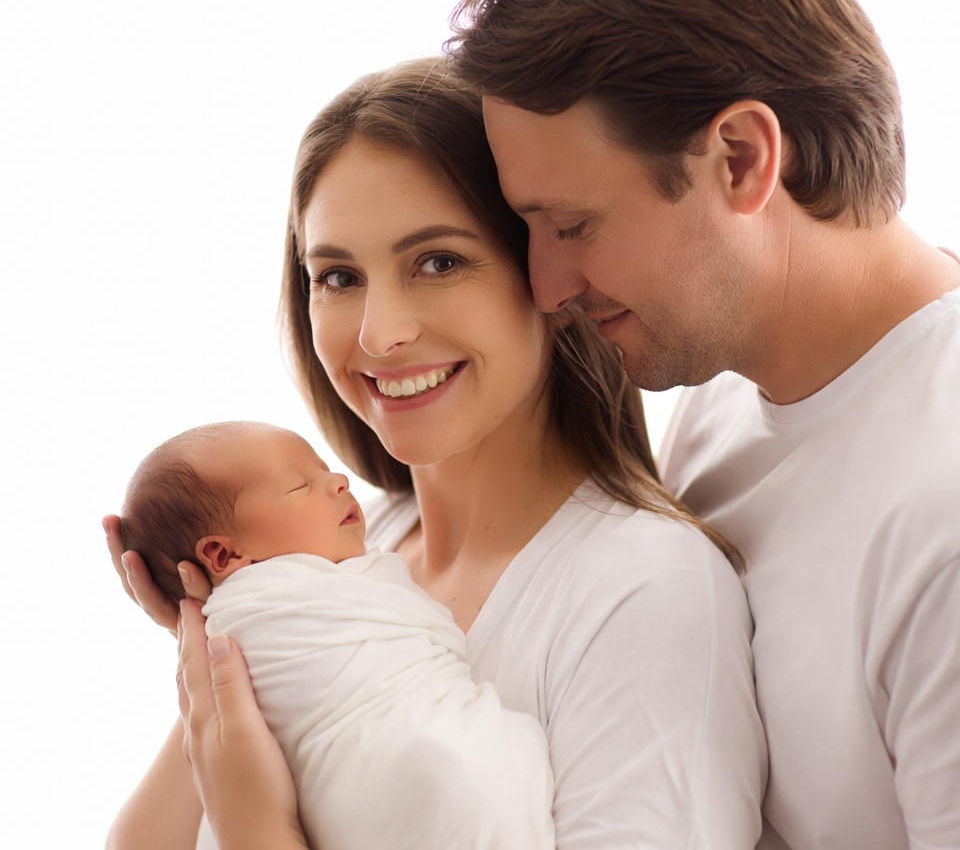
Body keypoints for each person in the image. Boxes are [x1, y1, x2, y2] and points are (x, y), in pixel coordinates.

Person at [104, 56, 766, 850]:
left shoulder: (645, 589)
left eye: (438, 262)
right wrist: (212, 649)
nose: (380, 334)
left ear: (546, 276)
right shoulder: (342, 560)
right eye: (338, 276)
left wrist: (258, 829)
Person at [446, 0, 960, 848]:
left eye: (573, 226)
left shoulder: (943, 517)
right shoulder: (722, 391)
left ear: (739, 158)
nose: (548, 284)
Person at [118, 420, 555, 850]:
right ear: (222, 553)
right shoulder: (251, 617)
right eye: (300, 486)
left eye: (326, 469)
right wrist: (198, 640)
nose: (339, 482)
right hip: (395, 776)